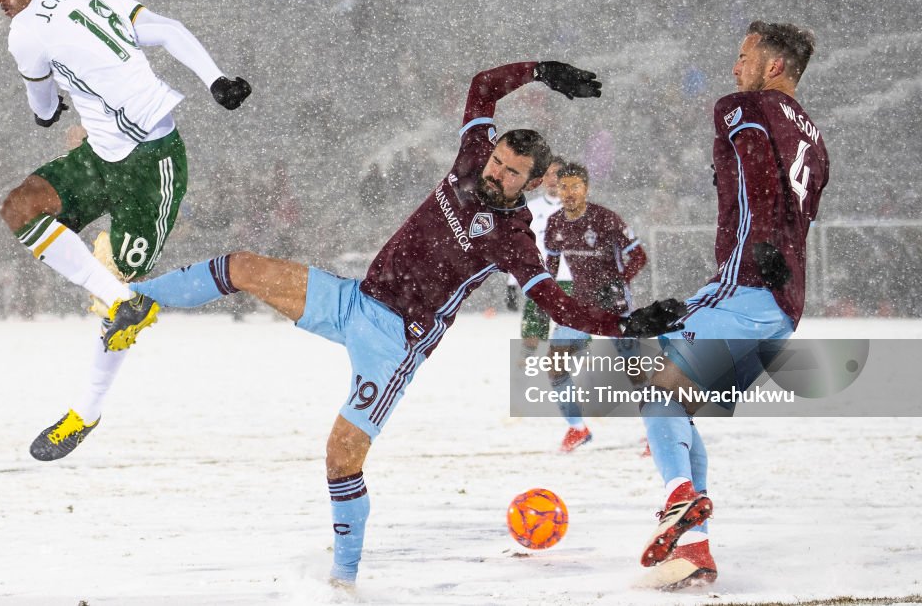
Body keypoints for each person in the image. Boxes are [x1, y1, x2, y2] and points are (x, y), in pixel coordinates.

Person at [102, 60, 686, 587]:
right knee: (242, 266)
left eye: (511, 173)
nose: (495, 173)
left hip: (394, 345)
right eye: (496, 161)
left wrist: (623, 320)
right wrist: (541, 71)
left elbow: (559, 306)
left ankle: (343, 580)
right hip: (354, 300)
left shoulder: (514, 241)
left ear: (534, 184)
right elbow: (483, 85)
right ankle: (132, 301)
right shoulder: (468, 161)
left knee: (340, 459)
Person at [0, 0, 252, 461]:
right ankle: (122, 297)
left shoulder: (25, 30)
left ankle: (87, 410)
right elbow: (168, 30)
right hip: (103, 158)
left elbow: (40, 106)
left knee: (115, 304)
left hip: (153, 169)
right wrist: (216, 80)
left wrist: (48, 112)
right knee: (22, 207)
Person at [638, 22, 828, 590]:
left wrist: (761, 243)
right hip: (786, 303)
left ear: (772, 66)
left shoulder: (741, 105)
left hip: (747, 281)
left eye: (743, 55)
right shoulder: (816, 138)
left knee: (655, 388)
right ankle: (693, 549)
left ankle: (679, 505)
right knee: (683, 406)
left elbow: (756, 176)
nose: (733, 67)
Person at [543, 162, 647, 451]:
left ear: (586, 189)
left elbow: (639, 256)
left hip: (615, 305)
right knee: (555, 365)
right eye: (564, 187)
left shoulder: (606, 219)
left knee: (635, 370)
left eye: (575, 186)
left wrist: (618, 281)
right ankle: (578, 429)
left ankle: (658, 430)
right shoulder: (554, 223)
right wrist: (550, 297)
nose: (569, 192)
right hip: (580, 306)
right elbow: (550, 265)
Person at [505, 156, 569, 351]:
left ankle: (572, 377)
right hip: (540, 279)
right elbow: (519, 248)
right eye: (547, 174)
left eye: (556, 174)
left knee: (570, 337)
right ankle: (529, 373)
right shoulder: (530, 209)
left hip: (570, 280)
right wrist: (512, 284)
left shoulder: (578, 208)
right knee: (531, 336)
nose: (552, 179)